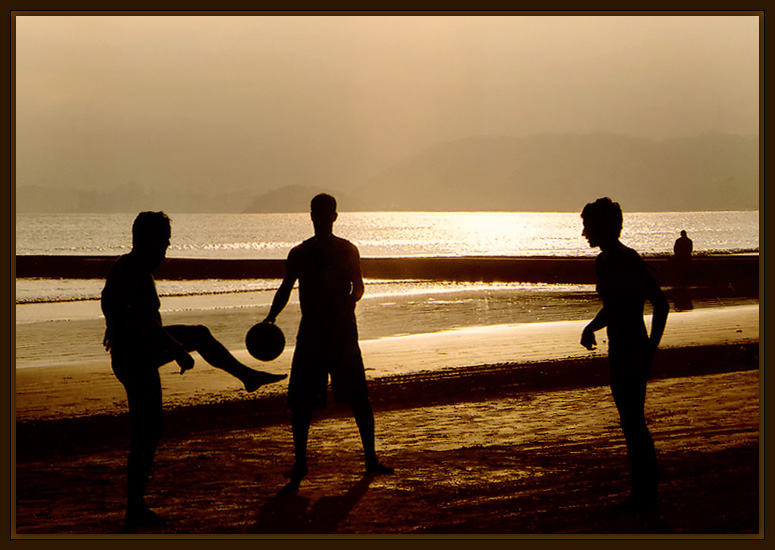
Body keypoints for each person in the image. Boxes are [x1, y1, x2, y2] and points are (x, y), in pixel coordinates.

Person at [102, 211, 286, 528]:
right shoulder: (131, 270)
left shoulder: (133, 269)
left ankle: (248, 377)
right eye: (162, 244)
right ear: (145, 241)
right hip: (135, 357)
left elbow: (113, 304)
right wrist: (176, 350)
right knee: (146, 431)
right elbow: (140, 320)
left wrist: (113, 326)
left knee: (150, 428)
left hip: (138, 351)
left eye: (167, 244)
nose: (165, 251)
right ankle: (135, 508)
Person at [262, 193, 393, 493]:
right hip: (314, 333)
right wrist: (270, 318)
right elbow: (286, 289)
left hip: (341, 333)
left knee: (358, 398)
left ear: (333, 217)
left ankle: (369, 458)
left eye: (324, 214)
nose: (320, 219)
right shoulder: (300, 253)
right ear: (312, 217)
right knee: (303, 404)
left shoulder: (347, 251)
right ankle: (301, 463)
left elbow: (358, 287)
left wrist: (348, 304)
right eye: (316, 214)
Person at [579, 198, 669, 512]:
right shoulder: (625, 258)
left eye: (587, 227)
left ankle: (644, 495)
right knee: (632, 422)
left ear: (602, 227)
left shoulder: (612, 261)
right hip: (629, 347)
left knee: (632, 422)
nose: (583, 234)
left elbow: (658, 304)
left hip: (628, 349)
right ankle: (644, 492)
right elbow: (621, 305)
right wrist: (593, 326)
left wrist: (650, 349)